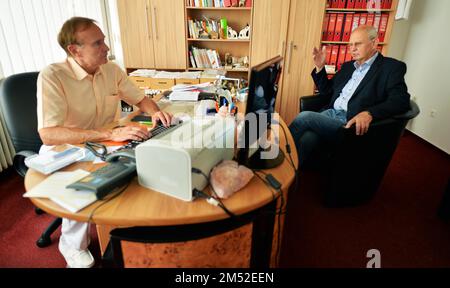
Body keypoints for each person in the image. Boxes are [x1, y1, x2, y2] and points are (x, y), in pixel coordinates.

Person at [37, 17, 172, 268]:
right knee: (84, 183)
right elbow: (48, 134)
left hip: (107, 140)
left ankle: (128, 229)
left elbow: (141, 99)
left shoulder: (111, 69)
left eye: (104, 41)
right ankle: (72, 244)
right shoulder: (52, 76)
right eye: (97, 43)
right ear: (75, 51)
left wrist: (154, 111)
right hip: (68, 147)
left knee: (145, 158)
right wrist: (107, 135)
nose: (106, 48)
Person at [289, 25, 410, 168]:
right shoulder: (348, 67)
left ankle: (272, 156)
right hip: (331, 113)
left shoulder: (391, 68)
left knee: (304, 117)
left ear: (374, 43)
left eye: (357, 44)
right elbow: (327, 92)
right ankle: (292, 172)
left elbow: (401, 101)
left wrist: (369, 113)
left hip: (349, 123)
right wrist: (320, 67)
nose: (352, 48)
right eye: (350, 45)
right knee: (308, 139)